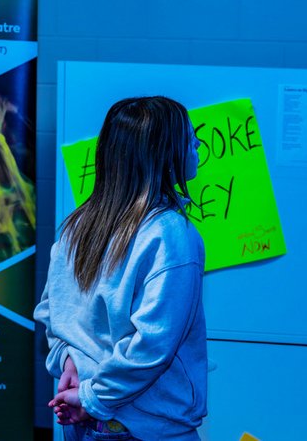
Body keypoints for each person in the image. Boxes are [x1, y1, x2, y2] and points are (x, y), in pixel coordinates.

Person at [34, 96, 207, 441]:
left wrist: (69, 363)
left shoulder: (77, 225)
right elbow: (152, 346)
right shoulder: (170, 233)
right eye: (190, 139)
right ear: (164, 155)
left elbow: (53, 315)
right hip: (144, 429)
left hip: (85, 424)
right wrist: (93, 398)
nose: (198, 146)